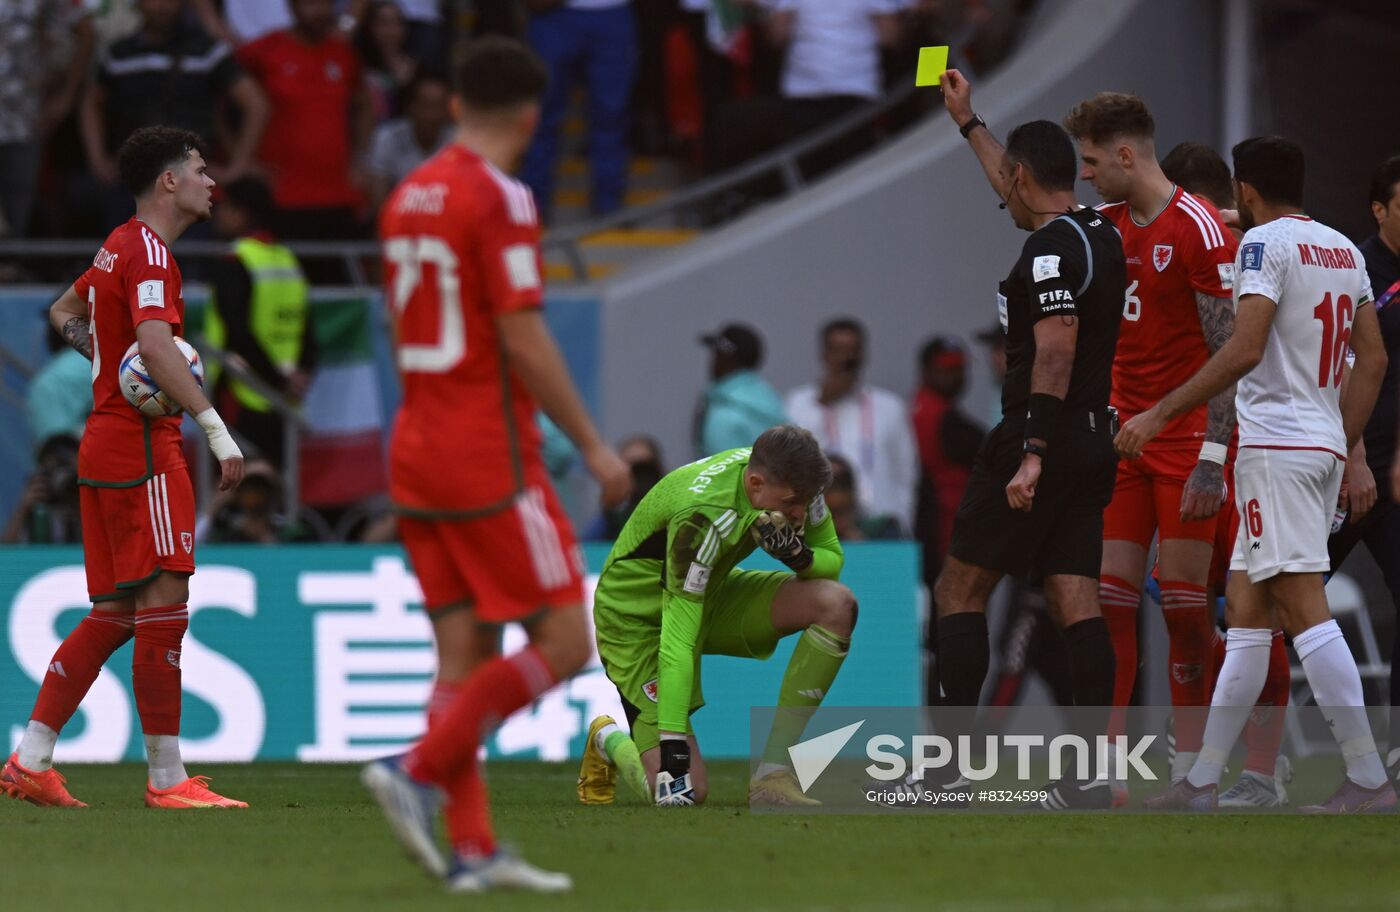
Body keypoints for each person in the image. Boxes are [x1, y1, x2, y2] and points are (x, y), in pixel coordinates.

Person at [358, 38, 631, 893]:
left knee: (462, 657)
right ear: (531, 114)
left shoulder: (408, 195)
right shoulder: (501, 196)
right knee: (564, 638)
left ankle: (472, 851)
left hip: (416, 450)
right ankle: (416, 769)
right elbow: (520, 331)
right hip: (488, 459)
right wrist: (592, 443)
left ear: (454, 105)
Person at [1124, 136, 1394, 813]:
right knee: (1246, 616)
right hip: (1316, 448)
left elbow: (1243, 348)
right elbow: (1375, 359)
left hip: (1274, 447)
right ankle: (1200, 780)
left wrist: (1162, 410)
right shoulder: (1345, 250)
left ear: (1244, 190)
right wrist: (1343, 438)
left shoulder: (1259, 248)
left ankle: (1368, 778)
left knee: (1304, 608)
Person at [1, 126, 247, 809]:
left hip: (102, 441)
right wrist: (214, 427)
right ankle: (168, 780)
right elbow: (157, 346)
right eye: (199, 169)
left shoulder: (117, 245)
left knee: (114, 612)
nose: (210, 181)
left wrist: (111, 367)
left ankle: (31, 759)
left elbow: (63, 312)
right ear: (168, 181)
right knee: (165, 601)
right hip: (144, 449)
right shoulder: (151, 256)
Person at [932, 70, 1123, 809]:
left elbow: (1055, 349)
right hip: (1092, 442)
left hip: (1035, 439)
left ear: (1021, 178)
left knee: (960, 589)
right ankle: (1089, 778)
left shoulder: (1045, 253)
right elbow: (1017, 187)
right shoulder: (1097, 231)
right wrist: (968, 122)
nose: (1002, 193)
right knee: (1077, 599)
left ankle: (945, 772)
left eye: (1006, 180)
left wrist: (1032, 453)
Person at [1062, 93, 1241, 788]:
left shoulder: (1196, 228)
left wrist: (1213, 459)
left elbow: (1230, 353)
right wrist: (967, 124)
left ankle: (1196, 764)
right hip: (1125, 443)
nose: (1084, 176)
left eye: (1092, 162)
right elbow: (1027, 201)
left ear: (1126, 156)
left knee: (1187, 608)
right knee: (1111, 602)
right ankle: (1108, 770)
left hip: (1190, 438)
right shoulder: (1103, 224)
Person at [578, 425, 857, 808]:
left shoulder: (796, 484)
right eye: (792, 503)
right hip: (636, 622)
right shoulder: (704, 517)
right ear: (755, 484)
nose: (799, 514)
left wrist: (801, 558)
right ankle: (608, 739)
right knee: (684, 794)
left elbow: (833, 559)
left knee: (835, 604)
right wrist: (673, 742)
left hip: (710, 591)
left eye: (804, 503)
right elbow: (678, 640)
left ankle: (773, 774)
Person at [1333, 154, 1400, 781]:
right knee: (1263, 606)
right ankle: (1209, 742)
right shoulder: (1353, 269)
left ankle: (1391, 753)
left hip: (1391, 473)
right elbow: (1343, 366)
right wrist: (1352, 456)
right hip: (1338, 470)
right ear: (1379, 210)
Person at [81, 0, 268, 206]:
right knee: (133, 238)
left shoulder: (207, 50)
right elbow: (91, 103)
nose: (162, 6)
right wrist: (97, 159)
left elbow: (255, 104)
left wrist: (236, 167)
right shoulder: (118, 54)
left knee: (191, 238)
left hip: (191, 185)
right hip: (132, 183)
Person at [238, 0, 374, 244]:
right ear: (292, 7)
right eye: (310, 4)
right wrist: (241, 158)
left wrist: (361, 158)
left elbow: (364, 104)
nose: (319, 11)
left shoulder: (344, 54)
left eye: (325, 4)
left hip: (338, 194)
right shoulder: (262, 51)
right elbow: (223, 102)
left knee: (335, 279)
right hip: (282, 194)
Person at [204, 176, 316, 471]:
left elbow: (238, 333)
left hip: (241, 394)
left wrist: (273, 380)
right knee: (277, 489)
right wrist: (298, 377)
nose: (218, 214)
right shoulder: (288, 260)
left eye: (225, 207)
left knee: (233, 490)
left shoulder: (234, 260)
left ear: (242, 214)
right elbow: (308, 332)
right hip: (285, 400)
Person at [786, 317, 918, 535]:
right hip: (820, 526)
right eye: (837, 350)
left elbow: (906, 473)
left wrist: (903, 522)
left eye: (852, 350)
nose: (845, 358)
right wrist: (824, 403)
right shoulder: (799, 404)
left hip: (879, 524)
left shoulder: (889, 406)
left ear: (863, 354)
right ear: (824, 354)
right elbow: (794, 463)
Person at [911, 335, 985, 706]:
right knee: (949, 636)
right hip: (945, 543)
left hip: (948, 540)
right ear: (926, 371)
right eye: (946, 370)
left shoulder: (924, 411)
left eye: (959, 370)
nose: (955, 378)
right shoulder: (938, 418)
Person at [520, 0, 637, 221]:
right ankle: (531, 207)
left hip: (611, 12)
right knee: (540, 114)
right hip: (553, 15)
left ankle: (609, 204)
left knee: (611, 113)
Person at [0, 1, 92, 237]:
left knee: (17, 207)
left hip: (24, 118)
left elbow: (86, 31)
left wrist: (66, 98)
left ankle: (9, 266)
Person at [695, 322, 787, 458]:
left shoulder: (723, 416)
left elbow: (721, 474)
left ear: (726, 358)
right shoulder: (772, 400)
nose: (712, 361)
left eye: (716, 354)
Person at [367, 70, 454, 213]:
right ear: (411, 107)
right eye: (425, 106)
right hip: (399, 222)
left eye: (437, 106)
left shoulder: (458, 142)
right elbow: (380, 204)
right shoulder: (387, 139)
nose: (431, 115)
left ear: (448, 109)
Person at [2, 434, 82, 545]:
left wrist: (90, 513)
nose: (63, 482)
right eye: (52, 473)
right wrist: (23, 509)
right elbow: (6, 553)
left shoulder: (91, 508)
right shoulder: (37, 516)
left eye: (71, 477)